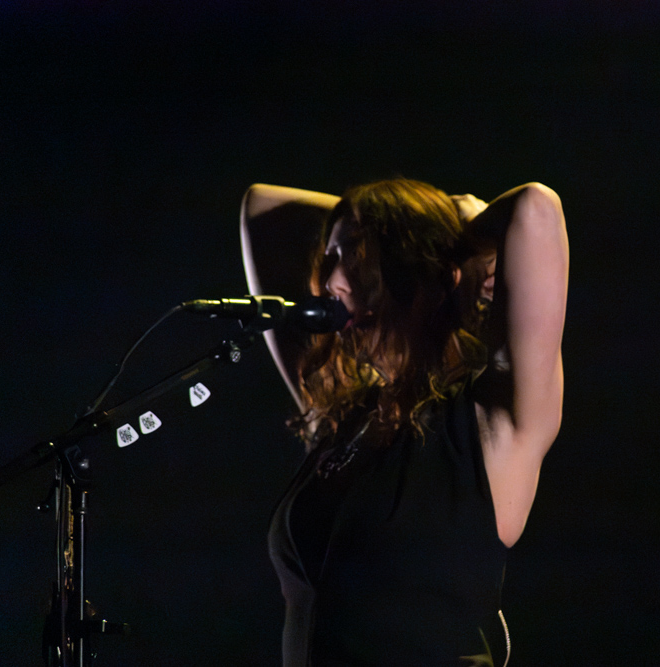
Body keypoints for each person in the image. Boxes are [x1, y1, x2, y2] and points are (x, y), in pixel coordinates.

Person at [240, 178, 568, 666]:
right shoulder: (338, 417)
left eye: (352, 256)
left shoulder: (490, 423)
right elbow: (261, 208)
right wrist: (382, 223)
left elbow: (538, 208)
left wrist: (457, 230)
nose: (329, 281)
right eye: (328, 258)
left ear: (414, 268)